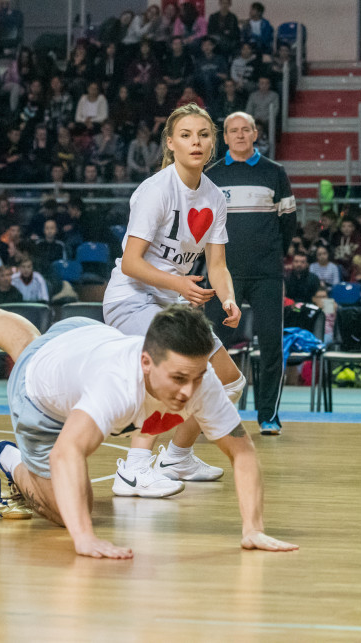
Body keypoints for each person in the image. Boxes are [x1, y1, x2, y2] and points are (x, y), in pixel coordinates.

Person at [0, 279, 297, 558]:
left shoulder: (198, 379)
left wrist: (253, 529)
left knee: (32, 347)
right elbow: (66, 452)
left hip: (81, 337)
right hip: (40, 397)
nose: (189, 392)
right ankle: (7, 459)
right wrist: (83, 538)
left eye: (196, 378)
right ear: (146, 363)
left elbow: (243, 453)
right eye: (179, 379)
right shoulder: (116, 384)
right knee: (72, 512)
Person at [103, 102, 250, 499]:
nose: (195, 142)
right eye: (185, 135)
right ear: (171, 143)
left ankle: (178, 458)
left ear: (213, 143)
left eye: (203, 134)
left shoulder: (215, 197)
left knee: (231, 380)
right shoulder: (155, 190)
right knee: (172, 369)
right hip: (132, 298)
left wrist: (229, 298)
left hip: (172, 300)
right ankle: (133, 470)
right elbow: (132, 263)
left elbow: (217, 264)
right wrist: (180, 284)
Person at [205, 111, 296, 434]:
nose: (240, 135)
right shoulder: (211, 175)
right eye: (233, 130)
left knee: (271, 344)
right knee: (213, 345)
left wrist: (270, 255)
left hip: (267, 274)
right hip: (223, 275)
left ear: (255, 134)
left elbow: (288, 223)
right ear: (225, 138)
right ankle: (210, 415)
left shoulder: (275, 172)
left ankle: (268, 416)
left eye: (246, 130)